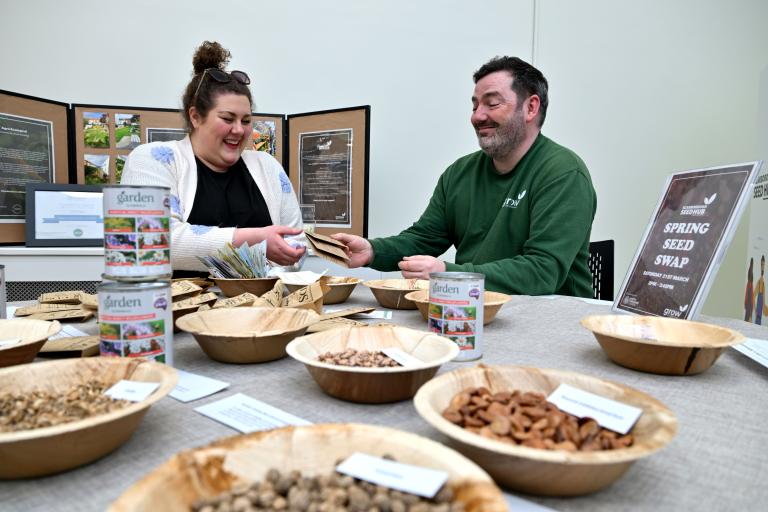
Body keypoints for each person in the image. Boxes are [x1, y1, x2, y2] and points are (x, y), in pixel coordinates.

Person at [333, 56, 596, 296]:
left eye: (492, 103)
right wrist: (372, 250)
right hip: (473, 307)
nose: (478, 116)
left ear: (530, 108)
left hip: (552, 321)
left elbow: (542, 271)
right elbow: (424, 238)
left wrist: (449, 274)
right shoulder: (459, 173)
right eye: (475, 106)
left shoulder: (563, 173)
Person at [121, 41, 305, 276]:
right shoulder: (152, 160)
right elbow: (149, 242)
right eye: (228, 119)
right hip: (180, 310)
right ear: (196, 116)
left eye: (246, 121)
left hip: (261, 309)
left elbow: (297, 244)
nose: (239, 130)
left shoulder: (267, 166)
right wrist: (252, 241)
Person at [754, 255, 766, 325]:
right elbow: (754, 294)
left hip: (761, 300)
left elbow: (763, 295)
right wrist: (755, 307)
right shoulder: (759, 281)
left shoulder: (763, 281)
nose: (763, 266)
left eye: (763, 265)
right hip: (759, 299)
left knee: (759, 318)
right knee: (758, 318)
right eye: (762, 264)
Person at [744, 258, 754, 322]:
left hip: (749, 303)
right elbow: (748, 295)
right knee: (748, 316)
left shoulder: (749, 284)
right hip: (748, 304)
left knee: (748, 316)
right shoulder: (749, 284)